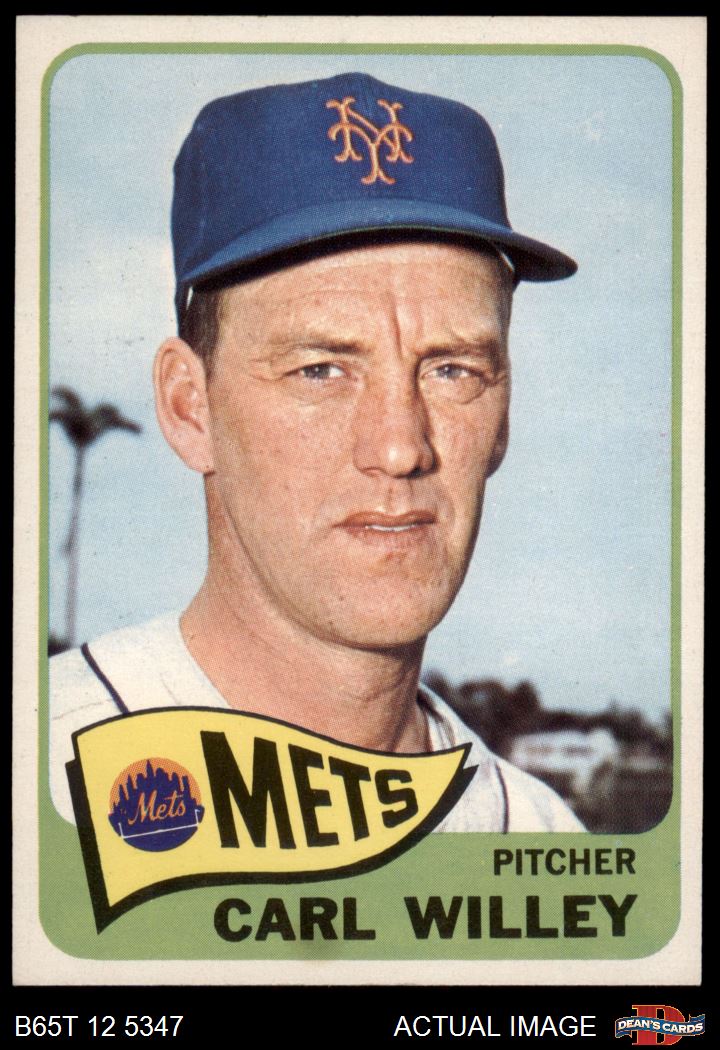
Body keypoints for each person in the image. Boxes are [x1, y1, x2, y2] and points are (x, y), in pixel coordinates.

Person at [50, 71, 583, 832]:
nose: (400, 448)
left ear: (502, 416)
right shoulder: (42, 779)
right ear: (189, 406)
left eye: (452, 369)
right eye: (320, 370)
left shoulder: (540, 839)